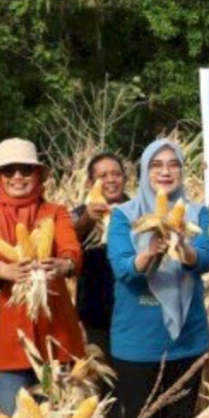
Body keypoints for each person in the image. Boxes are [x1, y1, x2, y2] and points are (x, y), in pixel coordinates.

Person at [107, 138, 209, 418]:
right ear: (145, 172)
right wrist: (150, 250)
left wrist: (182, 245)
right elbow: (123, 269)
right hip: (137, 340)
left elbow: (205, 258)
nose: (166, 172)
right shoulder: (123, 216)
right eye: (157, 165)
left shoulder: (198, 211)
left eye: (173, 165)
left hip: (187, 337)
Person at [0, 138, 85, 415]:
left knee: (50, 416)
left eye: (25, 169)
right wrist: (4, 270)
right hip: (7, 347)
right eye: (9, 171)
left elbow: (71, 249)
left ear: (37, 175)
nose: (18, 176)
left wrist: (63, 265)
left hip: (50, 348)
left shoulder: (55, 213)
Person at [73, 152, 129, 357]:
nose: (111, 180)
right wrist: (87, 219)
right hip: (96, 314)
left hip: (134, 312)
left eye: (116, 174)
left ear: (125, 178)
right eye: (103, 176)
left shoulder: (138, 211)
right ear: (90, 183)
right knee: (103, 381)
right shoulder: (80, 214)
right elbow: (66, 244)